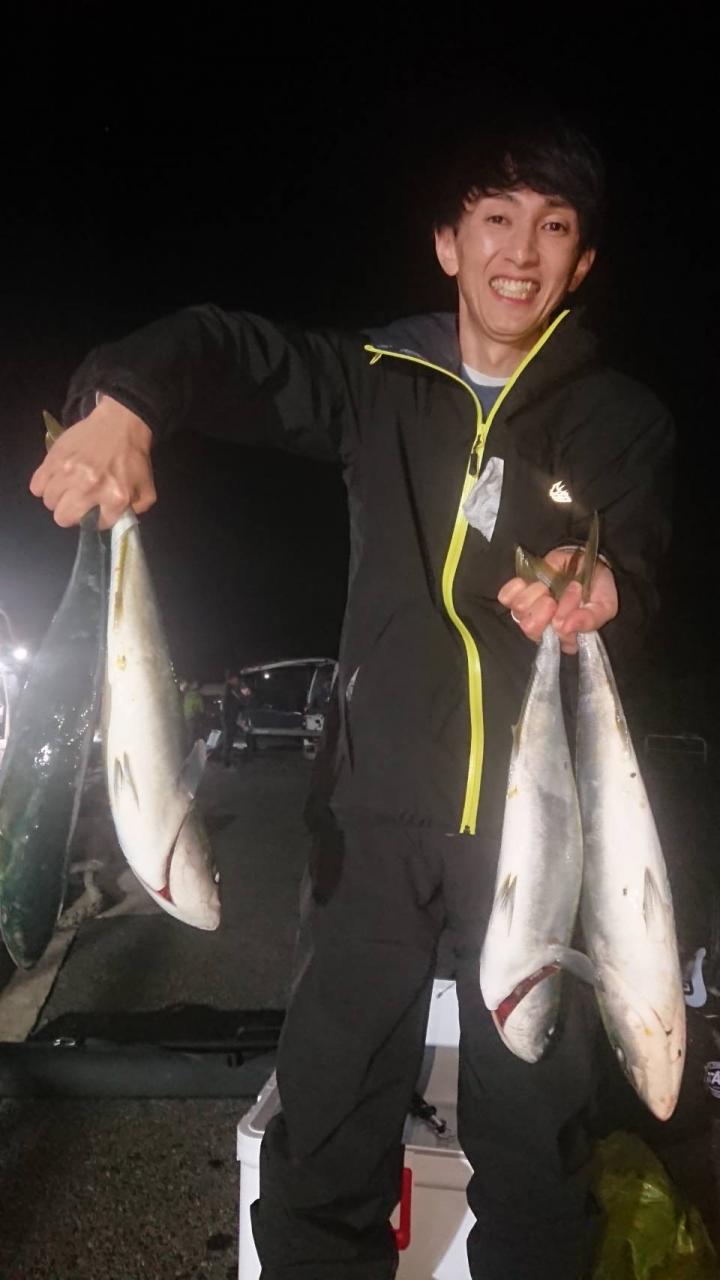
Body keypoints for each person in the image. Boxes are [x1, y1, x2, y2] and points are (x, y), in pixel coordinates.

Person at [28, 116, 674, 1279]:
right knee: (325, 1133)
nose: (521, 249)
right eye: (495, 217)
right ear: (447, 243)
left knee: (540, 1155)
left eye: (553, 226)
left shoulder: (622, 419)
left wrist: (609, 588)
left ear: (581, 263)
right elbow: (219, 348)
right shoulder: (373, 382)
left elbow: (644, 571)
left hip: (542, 828)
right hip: (369, 822)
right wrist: (122, 402)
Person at [222, 672, 255, 765]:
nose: (237, 681)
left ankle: (229, 758)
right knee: (229, 739)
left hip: (232, 718)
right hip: (230, 718)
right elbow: (234, 705)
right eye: (236, 679)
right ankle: (226, 760)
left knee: (232, 739)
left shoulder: (232, 690)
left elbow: (238, 704)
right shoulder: (230, 691)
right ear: (231, 680)